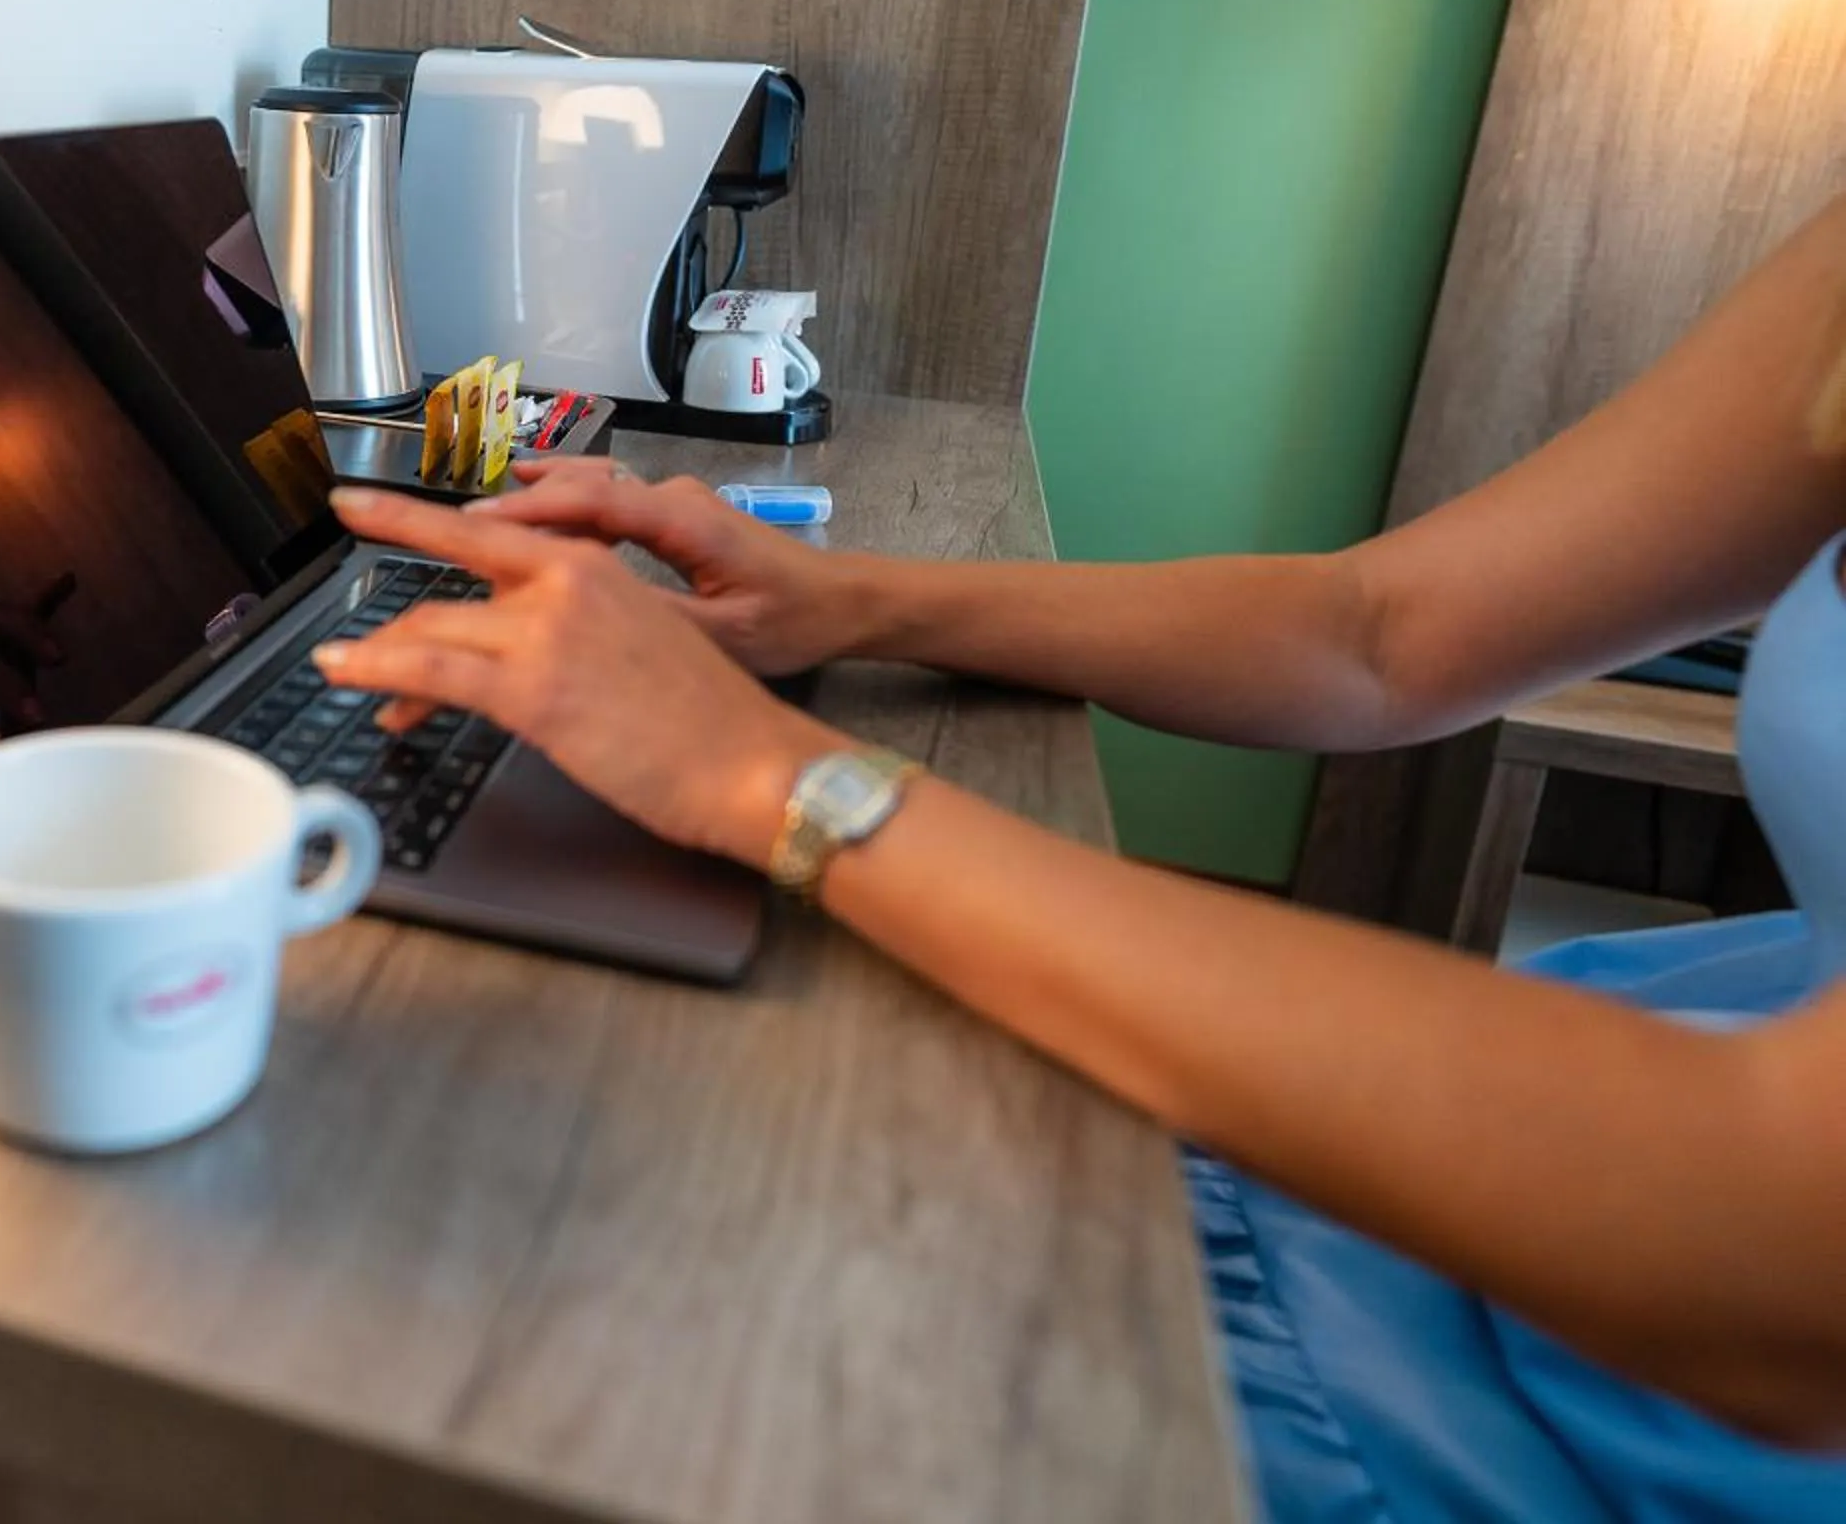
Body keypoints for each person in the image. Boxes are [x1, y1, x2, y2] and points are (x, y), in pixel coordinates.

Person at [311, 194, 1846, 1522]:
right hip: (1496, 1144)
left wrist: (774, 775)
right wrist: (848, 604)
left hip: (1626, 1385)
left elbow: (1783, 1276)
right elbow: (1383, 637)